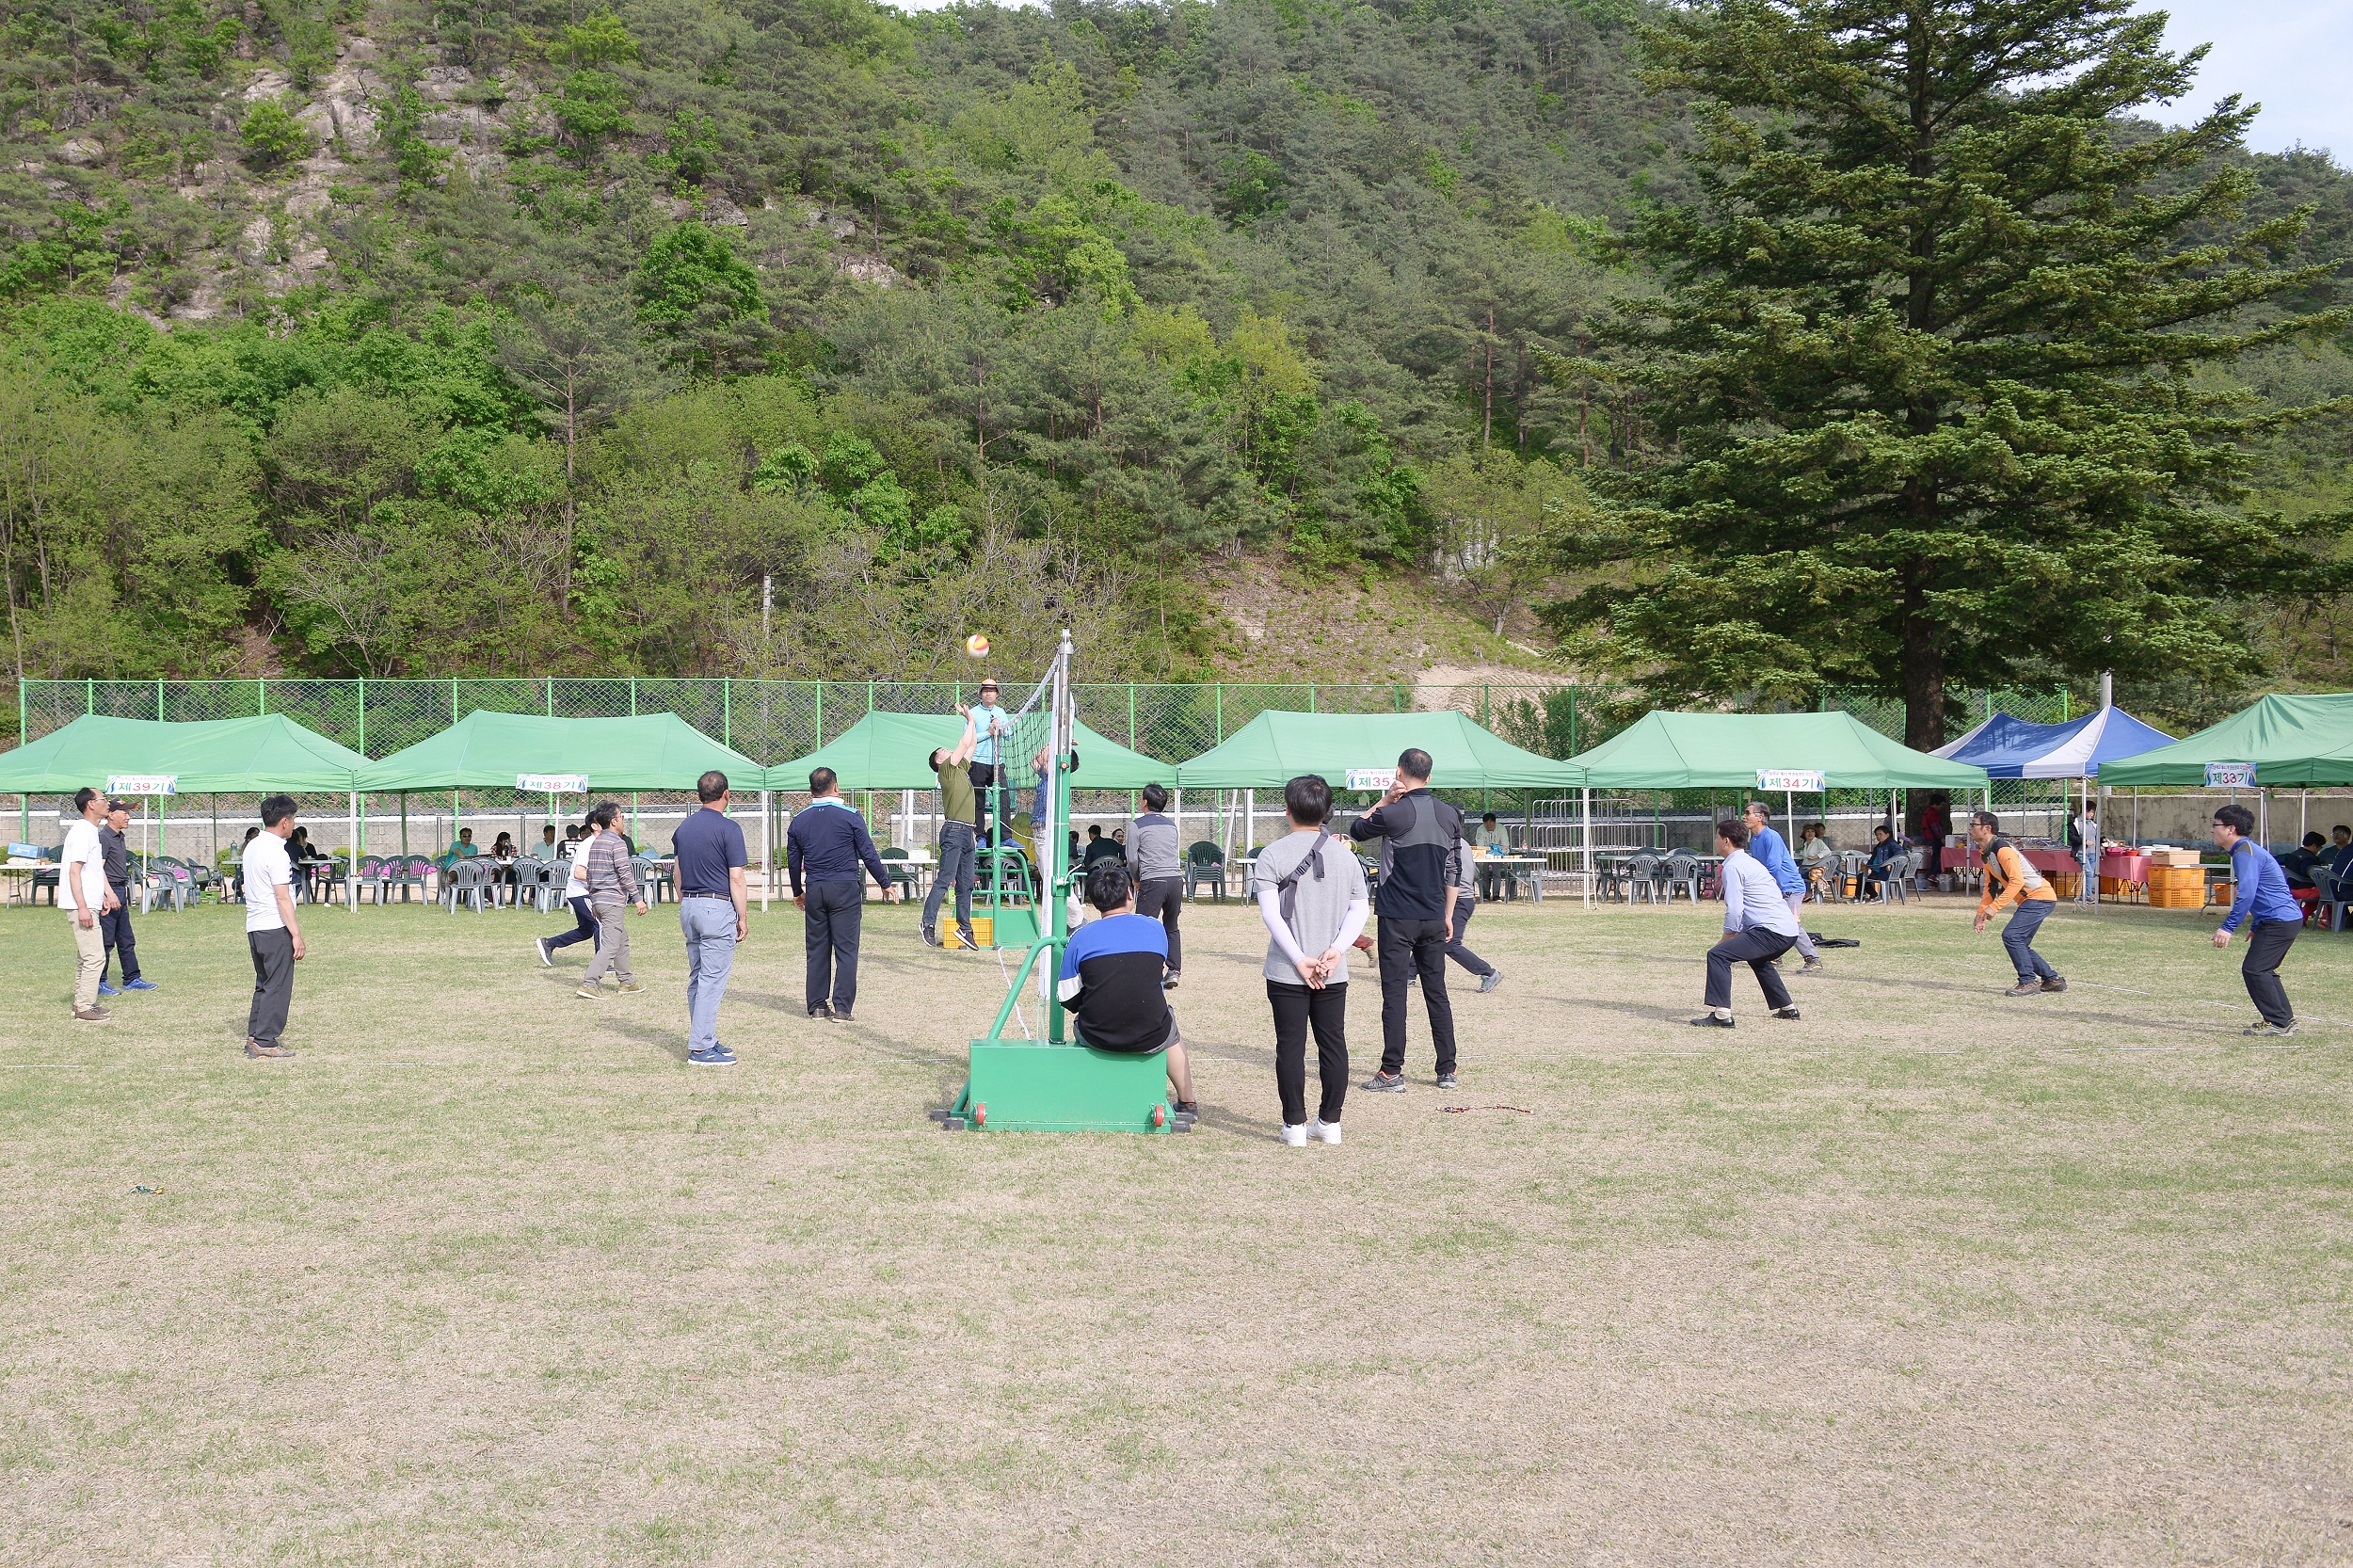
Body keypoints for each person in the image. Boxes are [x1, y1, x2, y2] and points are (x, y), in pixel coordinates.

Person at [1254, 775, 1369, 1145]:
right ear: (1327, 811)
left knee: (1290, 1046)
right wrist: (1336, 950)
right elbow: (1360, 909)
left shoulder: (1272, 854)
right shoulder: (1346, 856)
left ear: (1287, 809)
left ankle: (1294, 1127)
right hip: (1332, 970)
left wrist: (1299, 958)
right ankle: (1330, 1123)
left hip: (1287, 969)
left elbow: (1271, 914)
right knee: (1333, 1043)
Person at [1350, 747, 1465, 1093]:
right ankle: (1447, 1069)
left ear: (1399, 772)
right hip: (1434, 915)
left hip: (1397, 916)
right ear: (1429, 777)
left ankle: (1391, 1072)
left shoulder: (1392, 813)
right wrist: (1448, 915)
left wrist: (1385, 800)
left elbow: (1357, 830)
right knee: (1437, 991)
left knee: (1395, 992)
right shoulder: (1450, 814)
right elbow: (1454, 868)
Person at [1057, 862, 1198, 1115]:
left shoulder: (1080, 937)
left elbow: (1067, 998)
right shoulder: (1154, 928)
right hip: (1152, 1033)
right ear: (1130, 895)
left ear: (1095, 901)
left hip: (1096, 1035)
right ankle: (1187, 1102)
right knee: (1171, 1031)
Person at [787, 765, 897, 1022]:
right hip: (845, 887)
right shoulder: (851, 816)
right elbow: (868, 853)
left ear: (810, 790)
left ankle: (817, 1006)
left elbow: (793, 861)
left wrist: (797, 891)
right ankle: (842, 1008)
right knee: (846, 949)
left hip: (815, 887)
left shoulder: (799, 820)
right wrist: (884, 883)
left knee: (817, 948)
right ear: (836, 787)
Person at [1691, 818, 1802, 1027]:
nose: (1715, 841)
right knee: (1758, 959)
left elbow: (1735, 910)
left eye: (1716, 837)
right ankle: (1787, 1008)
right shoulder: (1749, 862)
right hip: (1788, 931)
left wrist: (1726, 937)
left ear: (1726, 841)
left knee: (1718, 955)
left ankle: (1722, 1015)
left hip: (1772, 931)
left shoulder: (1733, 867)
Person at [675, 771, 751, 1068]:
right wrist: (742, 916)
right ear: (727, 794)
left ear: (699, 795)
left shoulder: (684, 827)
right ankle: (701, 1047)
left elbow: (677, 871)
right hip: (716, 907)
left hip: (690, 905)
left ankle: (705, 1037)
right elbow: (737, 878)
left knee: (698, 976)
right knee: (712, 979)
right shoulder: (729, 829)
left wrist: (685, 902)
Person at [2213, 804, 2304, 1036]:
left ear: (2231, 828)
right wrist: (2256, 923)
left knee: (2255, 969)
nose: (2212, 830)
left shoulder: (2245, 853)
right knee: (2263, 969)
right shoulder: (2245, 851)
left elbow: (2247, 894)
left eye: (2216, 825)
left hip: (2279, 920)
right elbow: (2266, 889)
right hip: (2279, 919)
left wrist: (2228, 928)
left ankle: (2279, 1023)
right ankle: (2284, 1020)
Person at [1970, 810, 2064, 997]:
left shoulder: (2003, 850)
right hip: (2033, 899)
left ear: (1987, 828)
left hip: (2039, 897)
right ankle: (2052, 980)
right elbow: (1990, 886)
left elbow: (2017, 882)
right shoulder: (1986, 853)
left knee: (2012, 936)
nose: (1970, 828)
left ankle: (2028, 982)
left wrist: (1995, 908)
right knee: (2019, 942)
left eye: (1973, 824)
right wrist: (1981, 914)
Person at [243, 793, 304, 1058]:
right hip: (274, 925)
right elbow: (282, 897)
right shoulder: (277, 851)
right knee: (277, 985)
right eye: (293, 819)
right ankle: (265, 1040)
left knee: (264, 983)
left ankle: (255, 1035)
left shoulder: (253, 846)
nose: (293, 825)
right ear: (284, 821)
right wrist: (296, 934)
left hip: (255, 925)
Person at [576, 801, 648, 1000]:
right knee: (610, 945)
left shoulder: (596, 842)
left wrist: (594, 901)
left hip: (599, 901)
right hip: (612, 901)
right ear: (614, 821)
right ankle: (590, 983)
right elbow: (625, 873)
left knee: (621, 940)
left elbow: (590, 875)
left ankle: (627, 982)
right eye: (622, 817)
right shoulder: (617, 843)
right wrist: (637, 898)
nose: (623, 820)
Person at [922, 708, 981, 950]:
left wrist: (972, 723)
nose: (949, 750)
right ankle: (927, 924)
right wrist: (971, 719)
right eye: (944, 751)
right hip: (954, 830)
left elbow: (972, 744)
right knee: (945, 879)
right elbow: (964, 742)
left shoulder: (960, 769)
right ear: (939, 760)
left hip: (968, 833)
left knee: (966, 884)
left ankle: (964, 928)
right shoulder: (946, 770)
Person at [1742, 801, 1822, 974]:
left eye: (1748, 813)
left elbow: (1773, 866)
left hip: (1790, 888)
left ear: (1760, 817)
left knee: (1791, 924)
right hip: (1775, 888)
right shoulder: (1755, 839)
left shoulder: (1771, 836)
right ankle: (1774, 957)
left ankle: (1813, 960)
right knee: (1766, 922)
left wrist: (1758, 884)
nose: (1744, 816)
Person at [59, 786, 115, 1023]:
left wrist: (101, 896)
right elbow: (74, 872)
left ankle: (80, 1002)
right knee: (95, 957)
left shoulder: (91, 831)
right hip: (80, 904)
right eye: (103, 799)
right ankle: (84, 1007)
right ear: (91, 804)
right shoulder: (82, 831)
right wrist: (82, 906)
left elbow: (91, 871)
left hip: (89, 902)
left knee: (86, 956)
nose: (108, 803)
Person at [97, 797, 156, 996]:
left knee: (126, 939)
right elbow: (98, 869)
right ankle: (99, 982)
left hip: (120, 891)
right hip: (110, 892)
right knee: (105, 941)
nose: (128, 817)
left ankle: (132, 979)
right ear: (111, 814)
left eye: (129, 813)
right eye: (124, 813)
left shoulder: (119, 836)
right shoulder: (104, 838)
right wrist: (108, 893)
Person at [1128, 782, 1184, 989]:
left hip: (1153, 880)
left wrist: (1136, 878)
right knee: (1171, 926)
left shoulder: (1136, 825)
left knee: (1145, 926)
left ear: (1144, 802)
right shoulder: (1171, 825)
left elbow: (1132, 858)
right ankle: (1174, 970)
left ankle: (1148, 970)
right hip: (1175, 880)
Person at [1442, 819, 1503, 993]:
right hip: (1463, 899)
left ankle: (1489, 973)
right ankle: (1409, 973)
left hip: (1458, 900)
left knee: (1450, 943)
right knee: (1431, 938)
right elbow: (1474, 872)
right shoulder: (1463, 843)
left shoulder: (1447, 845)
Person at [536, 828, 600, 969]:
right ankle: (602, 963)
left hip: (582, 891)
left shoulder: (599, 842)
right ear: (596, 825)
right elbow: (579, 873)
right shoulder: (589, 844)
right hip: (580, 891)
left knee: (586, 930)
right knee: (600, 922)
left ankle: (549, 943)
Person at [967, 678, 1011, 836]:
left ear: (997, 694)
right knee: (977, 800)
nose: (988, 694)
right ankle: (980, 836)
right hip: (977, 762)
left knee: (1004, 799)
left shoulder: (1001, 712)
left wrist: (1001, 729)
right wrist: (989, 732)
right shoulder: (972, 713)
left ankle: (1005, 836)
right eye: (985, 691)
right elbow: (968, 738)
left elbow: (1009, 735)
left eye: (992, 691)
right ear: (980, 694)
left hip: (997, 763)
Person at [1473, 811, 1512, 900]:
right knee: (1484, 872)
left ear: (1495, 822)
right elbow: (1480, 846)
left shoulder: (1501, 829)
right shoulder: (1480, 829)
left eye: (1490, 822)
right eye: (1486, 822)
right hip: (1485, 856)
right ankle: (1485, 894)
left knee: (1497, 873)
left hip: (1499, 856)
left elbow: (1505, 846)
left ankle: (1496, 895)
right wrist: (1493, 849)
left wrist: (1494, 850)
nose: (1488, 824)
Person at [1797, 822, 1838, 900]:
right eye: (1808, 831)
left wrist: (1816, 857)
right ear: (1804, 834)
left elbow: (1827, 851)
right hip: (1807, 867)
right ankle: (1807, 892)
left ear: (1815, 833)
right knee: (1798, 872)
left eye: (1812, 831)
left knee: (1802, 872)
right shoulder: (1806, 844)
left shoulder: (1818, 842)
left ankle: (1809, 891)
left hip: (1817, 868)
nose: (1810, 833)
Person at [1862, 824, 1905, 897]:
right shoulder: (1878, 846)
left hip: (1884, 872)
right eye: (1877, 835)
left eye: (1880, 834)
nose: (1879, 836)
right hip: (1875, 870)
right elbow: (1872, 859)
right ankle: (1867, 896)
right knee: (1861, 876)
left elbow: (1899, 852)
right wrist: (1869, 868)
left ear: (1887, 835)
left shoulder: (1891, 843)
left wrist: (1891, 863)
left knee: (1863, 877)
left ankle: (1873, 896)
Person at [1919, 793, 1950, 879]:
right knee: (1936, 857)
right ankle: (1933, 874)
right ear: (1937, 803)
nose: (1942, 807)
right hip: (1932, 838)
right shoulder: (1933, 813)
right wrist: (1941, 838)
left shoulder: (1927, 812)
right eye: (1942, 805)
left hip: (1926, 837)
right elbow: (1936, 827)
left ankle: (1929, 874)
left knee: (1929, 858)